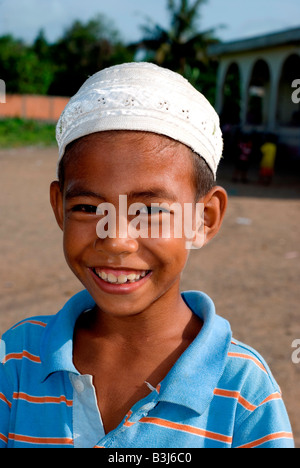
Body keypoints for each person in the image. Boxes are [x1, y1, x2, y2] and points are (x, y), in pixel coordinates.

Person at [0, 63, 294, 448]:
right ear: (59, 207)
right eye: (89, 208)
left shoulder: (244, 392)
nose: (117, 240)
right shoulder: (15, 362)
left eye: (151, 212)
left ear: (203, 219)